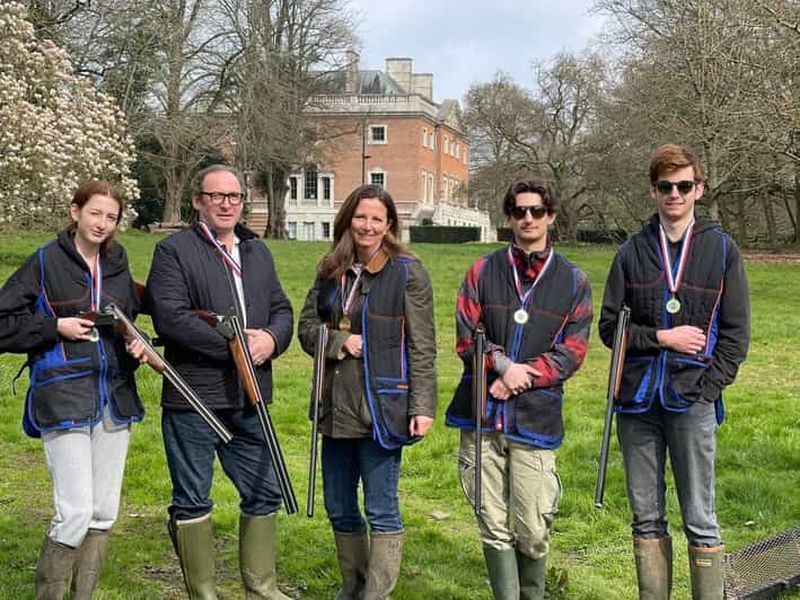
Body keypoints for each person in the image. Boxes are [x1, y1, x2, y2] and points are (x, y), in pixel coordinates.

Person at [599, 144, 750, 600]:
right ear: (653, 191)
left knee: (700, 519)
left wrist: (708, 388)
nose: (675, 194)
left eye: (684, 186)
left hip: (692, 399)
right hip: (637, 401)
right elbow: (610, 328)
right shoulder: (632, 250)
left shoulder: (721, 249)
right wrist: (662, 338)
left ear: (698, 190)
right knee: (645, 517)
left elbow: (736, 333)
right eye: (666, 186)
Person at [144, 164, 294, 599]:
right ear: (198, 201)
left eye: (235, 196)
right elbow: (169, 317)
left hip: (250, 397)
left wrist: (270, 339)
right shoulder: (173, 251)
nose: (227, 204)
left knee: (265, 491)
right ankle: (204, 594)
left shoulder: (256, 251)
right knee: (193, 499)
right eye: (217, 196)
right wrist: (231, 348)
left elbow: (281, 308)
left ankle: (261, 587)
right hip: (193, 396)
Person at [446, 178, 592, 600]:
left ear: (551, 216)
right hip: (480, 414)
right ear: (509, 217)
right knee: (491, 521)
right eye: (520, 211)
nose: (529, 219)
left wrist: (520, 377)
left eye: (538, 211)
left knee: (531, 524)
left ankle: (534, 592)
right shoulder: (482, 270)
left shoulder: (573, 281)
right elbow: (465, 335)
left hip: (535, 417)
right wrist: (501, 365)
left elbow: (572, 351)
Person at [0, 180, 145, 599]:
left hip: (114, 396)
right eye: (95, 213)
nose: (102, 224)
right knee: (76, 511)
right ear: (75, 212)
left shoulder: (118, 263)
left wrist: (136, 341)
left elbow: (126, 318)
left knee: (103, 512)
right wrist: (53, 327)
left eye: (111, 217)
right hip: (62, 395)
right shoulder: (45, 262)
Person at [297, 184, 437, 600]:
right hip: (335, 406)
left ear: (389, 224)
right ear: (348, 219)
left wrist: (423, 405)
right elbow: (307, 329)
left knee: (381, 508)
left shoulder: (408, 272)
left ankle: (377, 595)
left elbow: (423, 346)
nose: (368, 226)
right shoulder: (329, 269)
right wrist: (339, 343)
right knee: (339, 507)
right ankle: (353, 589)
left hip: (383, 408)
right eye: (361, 217)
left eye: (377, 219)